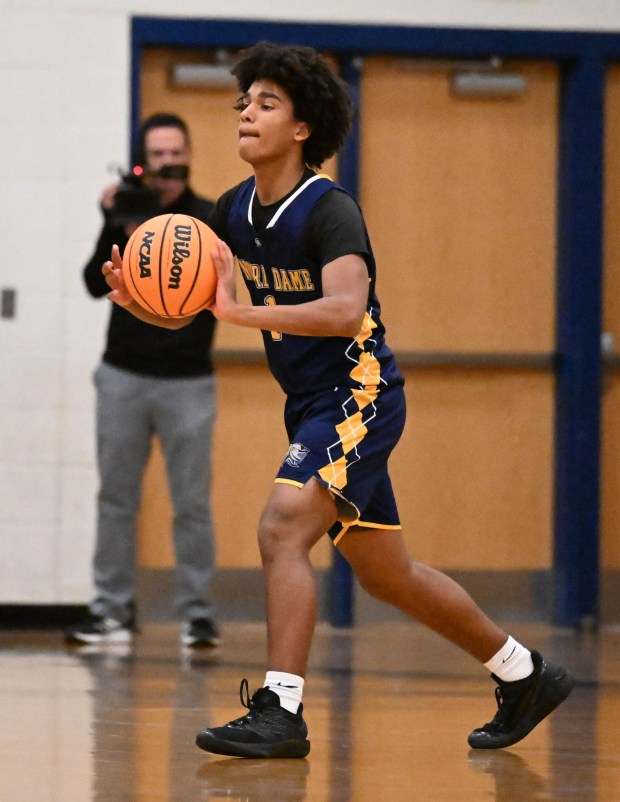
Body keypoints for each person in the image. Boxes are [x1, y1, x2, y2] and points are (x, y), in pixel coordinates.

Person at [102, 43, 573, 756]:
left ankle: (281, 709)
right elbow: (198, 302)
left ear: (301, 128)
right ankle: (522, 672)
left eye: (266, 104)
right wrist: (138, 297)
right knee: (391, 575)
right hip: (314, 404)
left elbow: (346, 310)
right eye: (244, 103)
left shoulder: (329, 209)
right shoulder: (234, 210)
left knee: (281, 526)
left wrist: (241, 316)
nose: (246, 115)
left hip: (359, 395)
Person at [66, 113, 220, 649]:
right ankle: (110, 611)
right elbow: (92, 283)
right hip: (123, 376)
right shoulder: (130, 211)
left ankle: (198, 615)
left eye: (176, 152)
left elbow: (224, 292)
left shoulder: (206, 219)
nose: (168, 163)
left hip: (189, 381)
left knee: (193, 503)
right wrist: (115, 223)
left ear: (190, 154)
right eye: (157, 154)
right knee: (116, 498)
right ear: (143, 161)